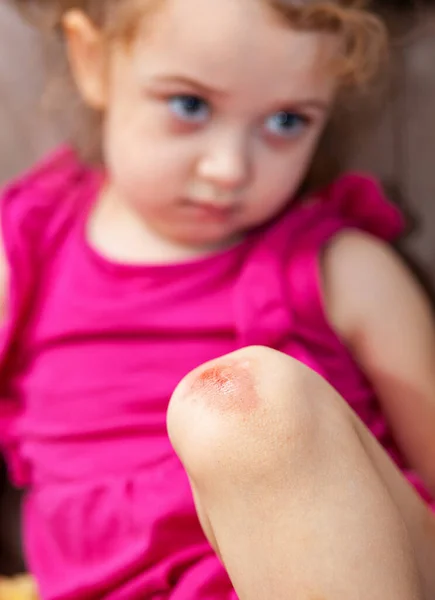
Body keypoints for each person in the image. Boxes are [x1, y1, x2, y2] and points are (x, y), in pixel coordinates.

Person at [0, 0, 433, 597]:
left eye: (286, 122)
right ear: (92, 60)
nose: (229, 168)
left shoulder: (345, 270)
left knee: (245, 406)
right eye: (189, 106)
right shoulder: (23, 253)